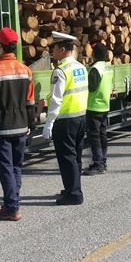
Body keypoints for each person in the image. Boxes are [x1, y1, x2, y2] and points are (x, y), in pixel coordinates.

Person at [0, 28, 36, 222]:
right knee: (17, 167)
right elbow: (30, 103)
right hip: (21, 126)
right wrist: (31, 126)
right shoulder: (25, 70)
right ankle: (12, 202)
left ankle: (12, 208)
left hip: (0, 128)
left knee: (5, 168)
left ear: (0, 46)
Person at [42, 32, 88, 205]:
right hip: (80, 117)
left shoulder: (60, 71)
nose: (52, 51)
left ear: (62, 49)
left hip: (65, 121)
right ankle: (72, 188)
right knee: (75, 157)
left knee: (66, 158)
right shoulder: (80, 67)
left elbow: (56, 100)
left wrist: (49, 124)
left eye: (54, 47)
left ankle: (74, 194)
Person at [83, 43, 113, 175]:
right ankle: (103, 162)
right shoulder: (107, 67)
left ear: (94, 54)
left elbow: (91, 87)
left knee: (94, 137)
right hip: (104, 105)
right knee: (102, 135)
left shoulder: (95, 69)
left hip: (94, 106)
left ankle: (98, 164)